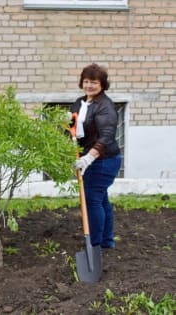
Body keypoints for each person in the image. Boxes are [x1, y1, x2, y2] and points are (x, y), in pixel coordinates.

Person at [70, 63, 122, 249]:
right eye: (86, 81)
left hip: (105, 160)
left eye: (94, 82)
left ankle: (95, 244)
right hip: (92, 158)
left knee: (92, 199)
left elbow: (106, 136)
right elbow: (72, 124)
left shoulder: (105, 106)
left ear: (102, 84)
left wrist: (88, 158)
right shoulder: (80, 102)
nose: (89, 86)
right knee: (101, 199)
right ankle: (107, 241)